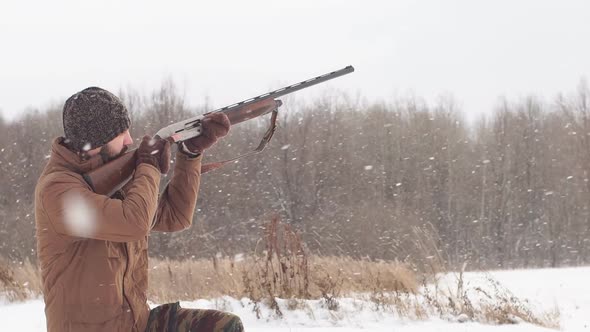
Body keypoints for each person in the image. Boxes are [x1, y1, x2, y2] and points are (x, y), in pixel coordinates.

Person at [34, 87, 244, 332]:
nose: (129, 140)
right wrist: (149, 165)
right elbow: (135, 223)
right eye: (121, 133)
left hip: (137, 324)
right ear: (95, 141)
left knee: (223, 327)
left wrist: (189, 154)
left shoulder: (115, 178)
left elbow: (175, 216)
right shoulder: (57, 191)